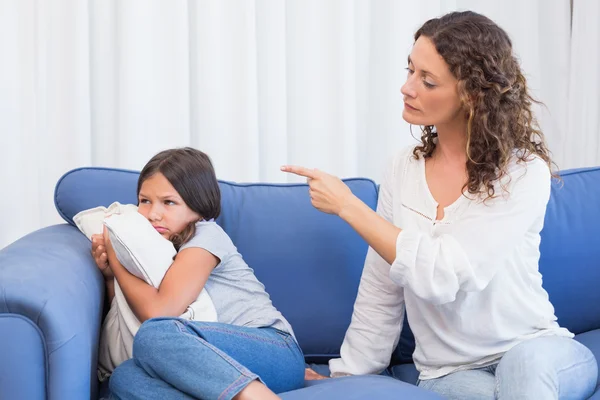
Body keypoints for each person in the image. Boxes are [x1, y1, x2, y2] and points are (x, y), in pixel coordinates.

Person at [282, 10, 598, 400]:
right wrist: (348, 373)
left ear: (472, 94)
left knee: (524, 373)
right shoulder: (403, 168)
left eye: (427, 80)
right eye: (410, 70)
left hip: (538, 349)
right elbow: (382, 287)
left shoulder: (522, 171)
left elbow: (447, 272)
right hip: (448, 371)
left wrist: (349, 206)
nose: (407, 87)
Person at [91, 148, 305, 400]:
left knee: (154, 335)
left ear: (199, 207)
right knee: (126, 377)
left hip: (273, 349)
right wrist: (109, 277)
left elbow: (159, 313)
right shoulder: (153, 249)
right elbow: (128, 319)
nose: (152, 214)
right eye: (144, 200)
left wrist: (116, 258)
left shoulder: (206, 235)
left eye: (168, 202)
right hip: (210, 362)